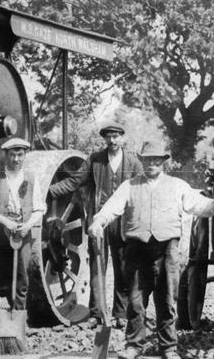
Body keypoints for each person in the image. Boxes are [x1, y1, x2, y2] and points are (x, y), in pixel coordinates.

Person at [87, 141, 214, 359]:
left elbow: (198, 204)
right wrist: (98, 222)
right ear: (142, 161)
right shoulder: (129, 185)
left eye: (156, 159)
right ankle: (133, 346)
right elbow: (112, 207)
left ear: (163, 161)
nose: (152, 163)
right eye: (147, 159)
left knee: (167, 299)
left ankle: (169, 348)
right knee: (136, 300)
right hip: (137, 250)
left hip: (167, 250)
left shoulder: (177, 185)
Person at [49, 123, 143, 329]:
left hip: (123, 223)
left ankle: (121, 314)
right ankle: (97, 313)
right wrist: (48, 191)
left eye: (116, 136)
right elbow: (75, 181)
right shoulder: (95, 160)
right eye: (109, 137)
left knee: (123, 267)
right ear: (105, 139)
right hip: (99, 221)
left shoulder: (134, 163)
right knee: (97, 267)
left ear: (122, 138)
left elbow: (141, 193)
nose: (112, 140)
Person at [0, 137, 45, 323]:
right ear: (6, 156)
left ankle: (17, 320)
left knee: (22, 279)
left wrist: (27, 225)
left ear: (25, 155)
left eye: (20, 155)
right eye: (12, 155)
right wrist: (5, 223)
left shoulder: (31, 178)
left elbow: (39, 208)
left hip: (23, 233)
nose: (16, 159)